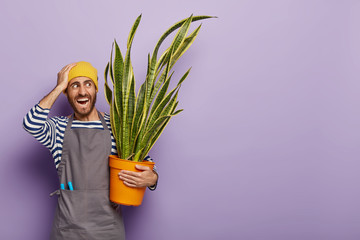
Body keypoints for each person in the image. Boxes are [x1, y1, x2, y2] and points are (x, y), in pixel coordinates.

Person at [23, 61, 158, 240]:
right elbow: (30, 124)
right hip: (67, 231)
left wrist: (152, 178)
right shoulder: (58, 128)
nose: (82, 91)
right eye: (74, 85)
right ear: (66, 92)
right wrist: (59, 86)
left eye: (88, 84)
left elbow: (144, 162)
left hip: (108, 230)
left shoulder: (117, 127)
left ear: (96, 90)